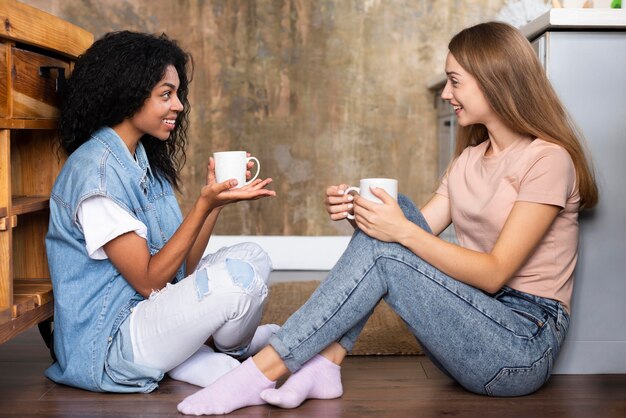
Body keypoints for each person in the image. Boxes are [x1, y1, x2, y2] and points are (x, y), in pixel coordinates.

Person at [176, 21, 599, 415]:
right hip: (471, 326)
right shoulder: (469, 159)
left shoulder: (548, 159)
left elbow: (493, 274)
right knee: (400, 216)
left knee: (395, 237)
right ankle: (326, 363)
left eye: (455, 82)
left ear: (496, 82)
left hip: (521, 347)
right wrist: (358, 212)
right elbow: (407, 234)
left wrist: (395, 229)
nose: (446, 94)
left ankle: (261, 372)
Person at [45, 31, 278, 393]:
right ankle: (208, 353)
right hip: (111, 342)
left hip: (150, 310)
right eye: (165, 95)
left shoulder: (141, 159)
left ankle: (220, 350)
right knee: (236, 283)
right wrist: (202, 205)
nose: (179, 106)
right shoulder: (97, 175)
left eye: (177, 95)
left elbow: (182, 268)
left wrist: (215, 204)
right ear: (128, 96)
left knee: (254, 257)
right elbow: (151, 282)